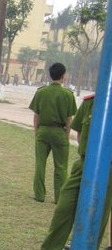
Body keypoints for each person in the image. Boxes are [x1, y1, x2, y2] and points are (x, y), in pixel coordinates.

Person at [22, 93, 112, 250]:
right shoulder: (91, 102)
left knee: (97, 216)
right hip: (84, 164)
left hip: (108, 170)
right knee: (63, 209)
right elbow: (79, 133)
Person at [29, 62, 77, 203]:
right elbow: (69, 119)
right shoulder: (68, 94)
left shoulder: (41, 92)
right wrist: (66, 135)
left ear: (50, 75)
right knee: (61, 167)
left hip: (43, 131)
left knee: (40, 164)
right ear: (63, 76)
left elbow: (36, 116)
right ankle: (59, 198)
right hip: (59, 132)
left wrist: (37, 132)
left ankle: (39, 195)